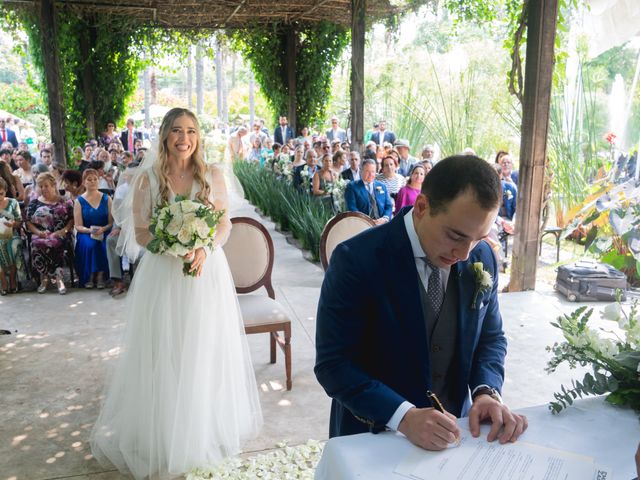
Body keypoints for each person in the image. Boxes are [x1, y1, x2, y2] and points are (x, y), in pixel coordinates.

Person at [90, 108, 262, 479]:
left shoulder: (211, 175)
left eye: (191, 131)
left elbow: (224, 223)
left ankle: (203, 429)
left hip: (206, 273)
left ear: (198, 138)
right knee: (164, 349)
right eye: (177, 131)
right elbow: (140, 232)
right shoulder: (147, 179)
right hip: (163, 276)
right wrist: (173, 246)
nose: (184, 138)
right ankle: (166, 434)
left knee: (202, 348)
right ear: (166, 135)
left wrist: (203, 248)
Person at [315, 155, 527, 451]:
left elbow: (490, 338)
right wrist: (402, 416)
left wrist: (485, 392)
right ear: (422, 207)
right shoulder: (356, 260)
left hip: (456, 438)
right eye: (456, 235)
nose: (465, 254)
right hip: (373, 437)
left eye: (478, 238)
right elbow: (333, 364)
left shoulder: (483, 258)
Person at [26, 172, 73, 294]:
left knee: (55, 242)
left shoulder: (64, 201)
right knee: (36, 243)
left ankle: (58, 278)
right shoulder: (34, 203)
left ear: (53, 185)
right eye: (40, 186)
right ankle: (44, 278)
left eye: (46, 186)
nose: (43, 189)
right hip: (40, 233)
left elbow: (71, 219)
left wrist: (63, 231)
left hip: (59, 233)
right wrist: (39, 232)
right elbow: (28, 222)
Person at [74, 169, 112, 289]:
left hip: (104, 230)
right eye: (89, 180)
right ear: (84, 182)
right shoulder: (79, 201)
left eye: (95, 179)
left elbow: (111, 222)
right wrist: (90, 231)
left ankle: (101, 275)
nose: (93, 182)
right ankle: (89, 275)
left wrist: (103, 228)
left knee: (103, 244)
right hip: (86, 232)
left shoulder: (107, 199)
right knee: (91, 244)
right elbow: (78, 226)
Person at [344, 159, 393, 225]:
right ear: (361, 171)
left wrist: (384, 218)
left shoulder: (382, 186)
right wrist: (366, 222)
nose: (370, 174)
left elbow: (389, 206)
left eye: (373, 171)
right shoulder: (352, 187)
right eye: (367, 171)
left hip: (382, 223)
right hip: (362, 225)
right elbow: (352, 208)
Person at [0, 177, 23, 295]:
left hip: (11, 235)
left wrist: (13, 223)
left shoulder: (13, 203)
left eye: (1, 194)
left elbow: (20, 222)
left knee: (13, 246)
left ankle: (13, 279)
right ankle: (3, 280)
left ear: (6, 190)